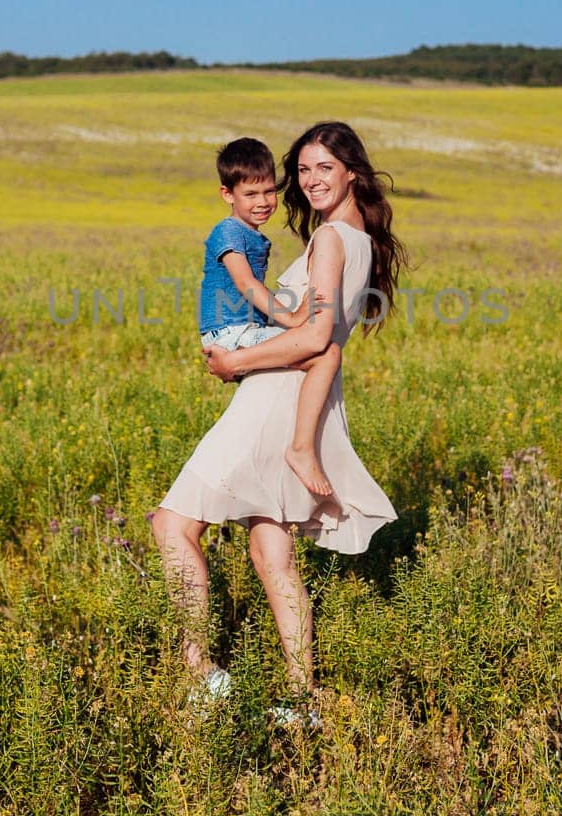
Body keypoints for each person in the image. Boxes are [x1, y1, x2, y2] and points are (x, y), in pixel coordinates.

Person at [152, 121, 407, 723]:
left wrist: (236, 359)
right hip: (301, 403)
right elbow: (326, 339)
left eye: (325, 167)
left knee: (172, 525)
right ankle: (301, 698)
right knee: (272, 549)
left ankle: (201, 675)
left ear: (352, 172)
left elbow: (317, 337)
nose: (312, 180)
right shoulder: (360, 237)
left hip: (274, 399)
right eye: (304, 170)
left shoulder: (330, 241)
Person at [196, 137, 343, 501]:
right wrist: (292, 320)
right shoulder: (228, 232)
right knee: (326, 354)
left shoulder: (252, 234)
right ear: (227, 194)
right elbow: (246, 283)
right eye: (251, 194)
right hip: (229, 333)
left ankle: (283, 455)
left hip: (244, 329)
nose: (263, 202)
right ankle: (301, 448)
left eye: (268, 192)